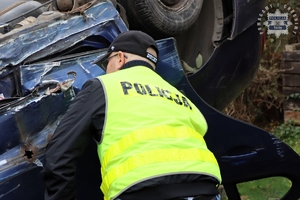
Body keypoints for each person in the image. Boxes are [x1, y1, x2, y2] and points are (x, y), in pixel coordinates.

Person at [44, 30, 222, 200]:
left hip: (140, 191)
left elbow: (58, 154)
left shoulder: (103, 86)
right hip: (205, 188)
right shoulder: (179, 96)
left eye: (107, 63)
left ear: (120, 58)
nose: (106, 70)